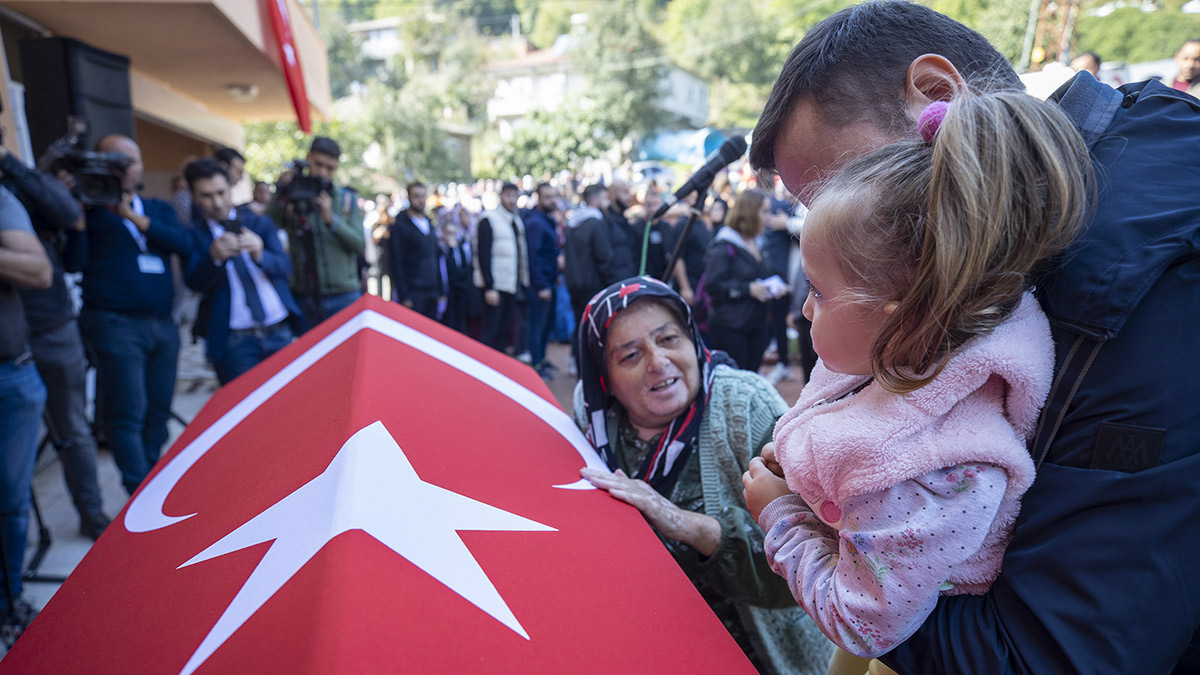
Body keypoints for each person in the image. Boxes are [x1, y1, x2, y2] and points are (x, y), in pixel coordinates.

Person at [748, 2, 1200, 672]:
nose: (836, 232)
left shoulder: (1129, 283)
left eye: (843, 188)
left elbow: (1051, 653)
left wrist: (802, 527)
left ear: (937, 93)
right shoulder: (1014, 253)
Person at [743, 91, 1091, 670]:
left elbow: (862, 621)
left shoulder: (938, 470)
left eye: (820, 293)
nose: (805, 310)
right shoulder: (908, 364)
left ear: (899, 311)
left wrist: (782, 519)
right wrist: (800, 469)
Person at [574, 277, 833, 675]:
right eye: (630, 356)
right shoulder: (589, 427)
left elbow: (818, 564)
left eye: (668, 339)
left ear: (692, 337)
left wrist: (686, 525)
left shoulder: (745, 405)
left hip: (756, 653)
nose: (657, 362)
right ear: (603, 376)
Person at [1, 134, 109, 540]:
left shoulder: (19, 183)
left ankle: (91, 512)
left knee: (74, 429)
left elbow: (67, 212)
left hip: (50, 326)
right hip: (7, 341)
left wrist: (9, 162)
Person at [76, 134, 193, 495]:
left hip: (162, 323)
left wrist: (135, 219)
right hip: (115, 323)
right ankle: (138, 494)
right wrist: (78, 210)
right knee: (129, 411)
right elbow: (74, 261)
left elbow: (185, 244)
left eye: (133, 160)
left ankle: (149, 481)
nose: (127, 167)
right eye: (116, 159)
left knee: (158, 410)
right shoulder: (88, 211)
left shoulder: (156, 208)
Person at [183, 158, 300, 385]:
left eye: (221, 192)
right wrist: (213, 259)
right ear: (194, 196)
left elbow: (285, 267)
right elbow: (193, 281)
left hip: (279, 331)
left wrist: (260, 254)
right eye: (207, 195)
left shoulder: (259, 224)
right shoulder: (193, 234)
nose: (217, 202)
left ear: (230, 187)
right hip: (235, 340)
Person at [0, 184, 51, 638]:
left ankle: (8, 602)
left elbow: (39, 270)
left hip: (9, 374)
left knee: (11, 502)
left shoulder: (1, 199)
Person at [269, 136, 364, 330]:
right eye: (318, 165)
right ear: (308, 159)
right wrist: (281, 191)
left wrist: (332, 221)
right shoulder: (293, 196)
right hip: (306, 297)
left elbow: (360, 246)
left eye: (330, 168)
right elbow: (267, 226)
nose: (323, 173)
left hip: (344, 295)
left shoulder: (346, 199)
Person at [702, 189, 781, 372]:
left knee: (752, 374)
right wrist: (748, 289)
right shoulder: (724, 244)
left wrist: (775, 285)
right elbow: (713, 285)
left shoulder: (758, 240)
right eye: (764, 211)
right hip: (731, 326)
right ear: (750, 212)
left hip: (755, 322)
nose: (768, 217)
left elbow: (762, 273)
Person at [472, 182, 528, 353]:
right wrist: (490, 286)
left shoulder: (516, 220)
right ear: (501, 196)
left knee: (504, 331)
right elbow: (483, 254)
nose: (512, 200)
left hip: (511, 283)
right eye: (508, 195)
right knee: (491, 329)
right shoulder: (488, 219)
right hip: (495, 285)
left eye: (514, 196)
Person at [563, 184, 619, 328]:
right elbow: (604, 257)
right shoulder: (596, 223)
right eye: (605, 198)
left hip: (574, 284)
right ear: (594, 200)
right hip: (594, 286)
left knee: (580, 328)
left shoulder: (572, 223)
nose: (608, 203)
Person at [387, 182, 442, 319]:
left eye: (423, 196)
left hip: (431, 290)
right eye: (416, 196)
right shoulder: (400, 225)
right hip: (413, 292)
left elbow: (435, 257)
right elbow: (396, 261)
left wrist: (440, 290)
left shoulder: (429, 222)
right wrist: (404, 295)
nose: (420, 200)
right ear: (409, 198)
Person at [521, 183, 559, 376]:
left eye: (553, 196)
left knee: (546, 324)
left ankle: (542, 359)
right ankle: (536, 364)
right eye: (547, 197)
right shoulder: (535, 222)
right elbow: (533, 257)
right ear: (538, 198)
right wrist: (542, 285)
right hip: (539, 284)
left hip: (549, 280)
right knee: (538, 324)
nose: (552, 200)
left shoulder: (547, 219)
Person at [438, 219, 471, 334]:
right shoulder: (441, 250)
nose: (450, 237)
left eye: (453, 233)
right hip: (447, 292)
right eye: (447, 233)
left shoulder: (460, 249)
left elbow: (464, 270)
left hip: (460, 291)